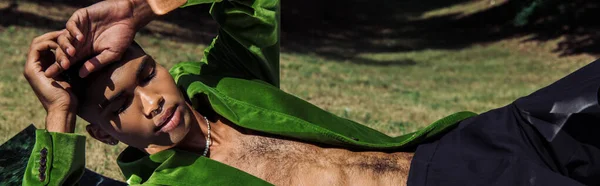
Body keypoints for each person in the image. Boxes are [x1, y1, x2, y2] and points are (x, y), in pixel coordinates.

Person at [21, 0, 600, 185]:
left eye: (145, 77)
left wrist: (144, 7)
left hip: (463, 149)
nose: (150, 101)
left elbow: (255, 6)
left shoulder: (221, 82)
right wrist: (59, 112)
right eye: (118, 107)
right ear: (100, 131)